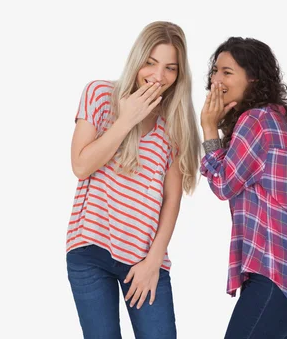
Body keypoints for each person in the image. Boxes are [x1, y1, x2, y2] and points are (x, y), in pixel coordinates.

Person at [65, 21, 201, 339]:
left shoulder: (175, 124)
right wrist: (127, 119)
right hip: (90, 249)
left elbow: (172, 199)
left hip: (144, 258)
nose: (158, 76)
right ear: (137, 59)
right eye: (151, 63)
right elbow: (81, 165)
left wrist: (153, 261)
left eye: (170, 68)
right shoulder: (99, 94)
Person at [199, 37, 287, 338]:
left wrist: (207, 127)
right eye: (215, 71)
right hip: (283, 272)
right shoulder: (271, 120)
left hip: (275, 271)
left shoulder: (255, 120)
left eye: (227, 72)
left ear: (252, 77)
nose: (216, 80)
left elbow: (224, 184)